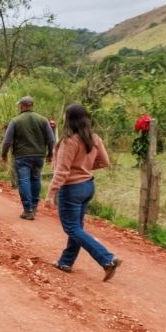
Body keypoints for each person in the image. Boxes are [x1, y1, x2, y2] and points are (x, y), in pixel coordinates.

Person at [46, 104, 122, 281]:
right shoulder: (94, 138)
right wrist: (85, 168)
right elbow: (104, 162)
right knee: (76, 228)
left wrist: (51, 193)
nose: (63, 118)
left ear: (70, 118)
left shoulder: (69, 141)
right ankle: (66, 262)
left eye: (65, 115)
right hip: (87, 186)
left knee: (71, 227)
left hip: (71, 189)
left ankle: (107, 259)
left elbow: (63, 171)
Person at [1, 96, 55, 220]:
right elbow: (51, 139)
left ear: (21, 106)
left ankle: (28, 209)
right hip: (39, 156)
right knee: (35, 179)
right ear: (32, 106)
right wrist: (50, 154)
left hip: (22, 156)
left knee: (24, 181)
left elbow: (7, 141)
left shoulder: (15, 121)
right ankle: (35, 206)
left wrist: (3, 155)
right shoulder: (43, 120)